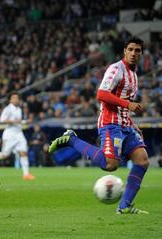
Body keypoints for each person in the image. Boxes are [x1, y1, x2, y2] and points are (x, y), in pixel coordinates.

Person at [48, 37, 149, 214]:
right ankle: (71, 140)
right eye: (131, 49)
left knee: (142, 160)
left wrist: (132, 123)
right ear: (125, 51)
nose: (134, 53)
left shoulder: (133, 76)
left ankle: (124, 207)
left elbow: (123, 101)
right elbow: (101, 94)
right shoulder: (116, 69)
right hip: (110, 123)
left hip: (125, 124)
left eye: (137, 50)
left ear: (141, 53)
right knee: (110, 165)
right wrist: (128, 106)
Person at [0, 92, 35, 180]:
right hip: (10, 133)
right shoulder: (7, 109)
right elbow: (2, 120)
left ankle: (26, 174)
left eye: (17, 98)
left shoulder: (19, 109)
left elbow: (18, 121)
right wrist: (14, 121)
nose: (16, 100)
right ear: (10, 100)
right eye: (14, 98)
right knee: (5, 154)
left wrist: (25, 121)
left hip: (19, 133)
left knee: (23, 152)